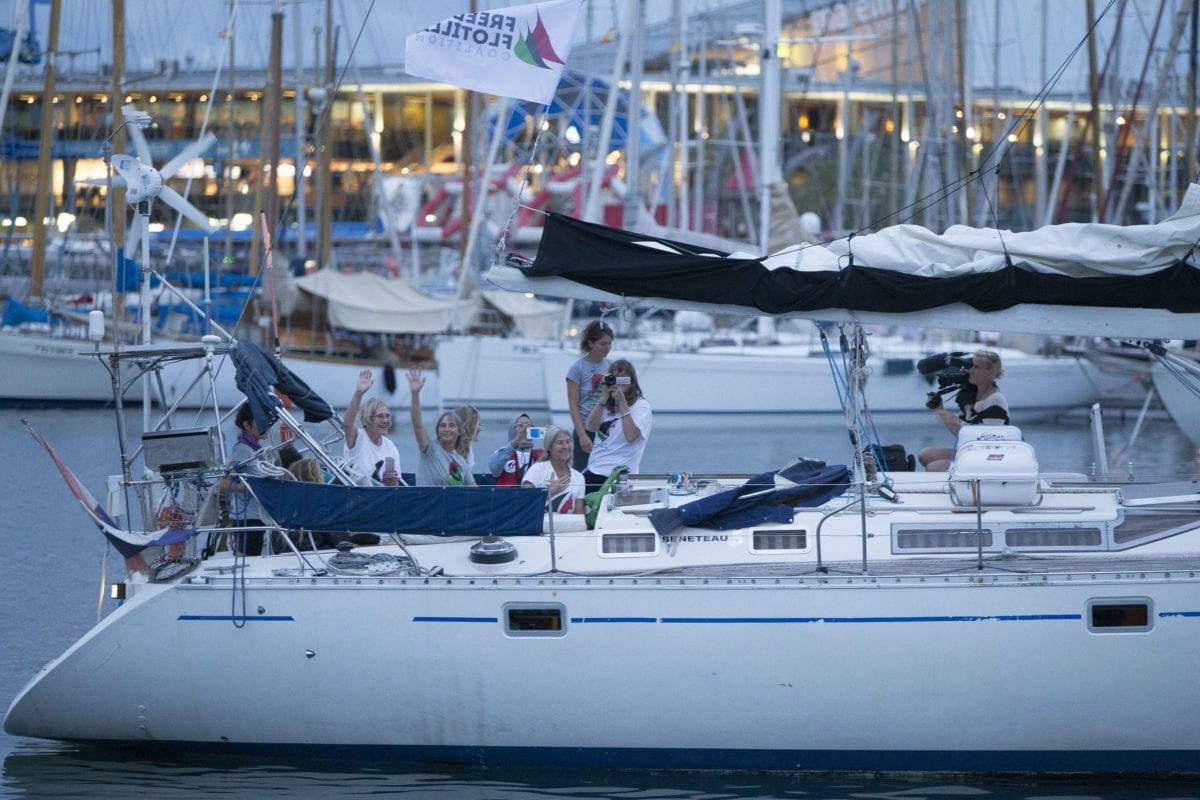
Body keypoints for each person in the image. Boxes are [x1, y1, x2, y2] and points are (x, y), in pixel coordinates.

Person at [918, 349, 1010, 472]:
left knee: (933, 468)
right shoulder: (972, 395)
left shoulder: (996, 400)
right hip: (970, 451)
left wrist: (944, 413)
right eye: (971, 366)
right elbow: (960, 433)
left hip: (986, 458)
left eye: (976, 367)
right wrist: (939, 409)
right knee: (924, 454)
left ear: (991, 372)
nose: (971, 370)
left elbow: (978, 437)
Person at [583, 359, 652, 493]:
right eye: (615, 379)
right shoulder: (607, 405)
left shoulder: (641, 406)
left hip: (619, 476)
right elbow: (590, 427)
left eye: (623, 380)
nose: (618, 384)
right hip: (594, 469)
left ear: (632, 382)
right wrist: (603, 399)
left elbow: (631, 436)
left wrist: (622, 402)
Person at [220, 403, 275, 555]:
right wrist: (246, 488)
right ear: (247, 425)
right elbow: (223, 484)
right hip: (248, 518)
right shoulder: (242, 450)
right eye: (262, 421)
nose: (267, 425)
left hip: (259, 516)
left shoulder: (255, 449)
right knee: (250, 561)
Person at [408, 369, 476, 487]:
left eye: (452, 425)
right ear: (438, 431)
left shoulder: (461, 462)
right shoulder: (430, 449)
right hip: (428, 504)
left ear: (459, 431)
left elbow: (476, 491)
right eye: (442, 425)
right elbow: (418, 425)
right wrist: (415, 395)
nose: (447, 429)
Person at [566, 320, 614, 471]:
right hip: (585, 429)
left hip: (606, 429)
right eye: (603, 344)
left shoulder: (610, 366)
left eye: (609, 344)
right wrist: (581, 435)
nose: (607, 348)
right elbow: (573, 405)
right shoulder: (577, 368)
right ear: (591, 343)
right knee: (583, 475)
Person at [343, 369, 401, 486]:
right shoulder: (358, 438)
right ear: (368, 419)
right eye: (380, 416)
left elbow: (395, 486)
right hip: (358, 497)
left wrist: (391, 481)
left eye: (387, 416)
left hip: (381, 497)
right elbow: (347, 424)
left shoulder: (390, 446)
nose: (385, 420)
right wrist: (358, 393)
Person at [522, 427, 586, 514]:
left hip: (568, 526)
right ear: (549, 447)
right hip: (539, 525)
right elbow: (523, 503)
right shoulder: (537, 469)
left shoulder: (579, 477)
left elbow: (579, 514)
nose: (566, 446)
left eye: (568, 441)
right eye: (560, 442)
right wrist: (550, 492)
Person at [488, 412, 544, 486]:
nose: (525, 429)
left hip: (534, 497)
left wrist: (551, 438)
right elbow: (495, 470)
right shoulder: (501, 453)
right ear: (512, 431)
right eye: (520, 425)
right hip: (507, 496)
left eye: (529, 425)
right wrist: (515, 442)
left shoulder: (540, 454)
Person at [454, 404, 482, 472]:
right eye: (478, 424)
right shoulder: (451, 452)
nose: (480, 429)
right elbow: (455, 481)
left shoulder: (468, 449)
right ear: (468, 426)